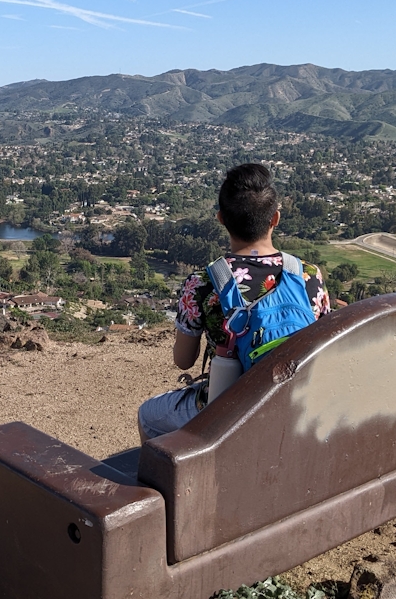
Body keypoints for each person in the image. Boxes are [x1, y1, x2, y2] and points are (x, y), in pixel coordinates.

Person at [137, 162, 332, 441]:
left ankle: (166, 483)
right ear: (275, 219)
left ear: (220, 219)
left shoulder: (203, 283)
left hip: (228, 408)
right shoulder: (308, 276)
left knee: (149, 416)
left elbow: (183, 361)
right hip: (297, 400)